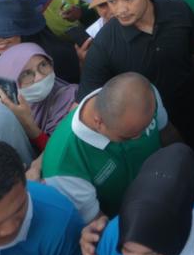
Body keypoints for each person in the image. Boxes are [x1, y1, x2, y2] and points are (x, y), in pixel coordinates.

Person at [77, 0, 194, 162]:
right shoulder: (104, 46)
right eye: (112, 1)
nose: (120, 10)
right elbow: (83, 106)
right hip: (154, 137)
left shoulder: (178, 11)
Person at [41, 71, 167, 222]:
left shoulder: (145, 96)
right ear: (99, 122)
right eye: (128, 136)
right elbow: (98, 223)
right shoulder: (63, 166)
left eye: (145, 127)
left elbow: (167, 133)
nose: (139, 138)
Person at [0, 41, 79, 149]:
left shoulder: (71, 98)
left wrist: (29, 125)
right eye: (26, 74)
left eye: (43, 65)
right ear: (10, 84)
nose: (40, 77)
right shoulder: (4, 110)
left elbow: (62, 153)